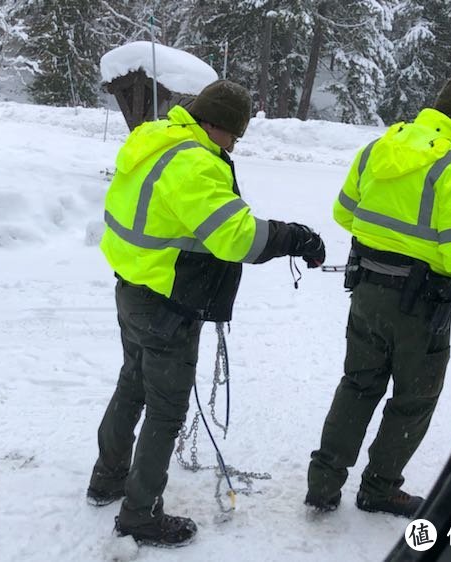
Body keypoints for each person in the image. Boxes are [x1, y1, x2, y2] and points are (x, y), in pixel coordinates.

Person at [88, 79, 326, 547]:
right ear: (215, 125)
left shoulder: (155, 140)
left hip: (133, 286)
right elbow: (236, 237)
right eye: (234, 136)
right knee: (165, 408)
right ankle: (140, 513)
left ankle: (107, 478)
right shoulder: (194, 163)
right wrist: (294, 237)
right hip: (166, 301)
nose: (235, 145)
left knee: (132, 384)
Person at [305, 73, 451, 518]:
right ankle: (380, 488)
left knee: (358, 384)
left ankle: (324, 483)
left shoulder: (377, 147)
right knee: (413, 399)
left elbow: (343, 213)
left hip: (366, 292)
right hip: (423, 308)